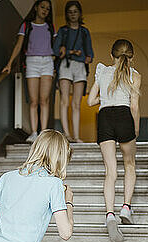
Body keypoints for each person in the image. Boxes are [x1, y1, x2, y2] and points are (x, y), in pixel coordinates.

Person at [87, 39, 141, 242]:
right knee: (130, 164)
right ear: (131, 56)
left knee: (111, 171)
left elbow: (91, 101)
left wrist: (106, 98)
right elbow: (134, 106)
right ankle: (126, 207)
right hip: (124, 115)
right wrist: (135, 128)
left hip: (105, 117)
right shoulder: (134, 75)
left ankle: (110, 214)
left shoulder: (102, 72)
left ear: (112, 56)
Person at [2, 0, 56, 143]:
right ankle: (34, 133)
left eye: (48, 9)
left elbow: (56, 45)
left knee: (44, 100)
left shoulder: (50, 27)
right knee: (33, 101)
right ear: (36, 7)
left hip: (47, 62)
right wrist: (9, 64)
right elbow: (19, 45)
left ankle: (43, 133)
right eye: (43, 7)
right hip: (31, 62)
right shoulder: (26, 26)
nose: (45, 10)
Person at [53, 1, 94, 143]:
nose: (72, 14)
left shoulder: (84, 31)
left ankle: (76, 136)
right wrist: (71, 52)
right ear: (66, 14)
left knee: (77, 103)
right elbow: (55, 50)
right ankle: (67, 135)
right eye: (70, 12)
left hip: (80, 66)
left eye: (75, 11)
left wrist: (80, 55)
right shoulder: (62, 30)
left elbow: (90, 55)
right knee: (64, 101)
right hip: (65, 65)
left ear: (80, 13)